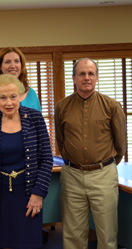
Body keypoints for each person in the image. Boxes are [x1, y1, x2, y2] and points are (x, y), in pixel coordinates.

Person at [55, 58, 127, 249]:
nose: (86, 78)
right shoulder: (62, 107)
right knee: (72, 234)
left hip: (103, 174)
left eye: (90, 74)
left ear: (96, 78)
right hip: (72, 176)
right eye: (81, 73)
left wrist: (105, 165)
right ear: (74, 78)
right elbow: (61, 141)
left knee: (107, 233)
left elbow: (120, 144)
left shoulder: (112, 106)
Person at [0, 74, 53, 249]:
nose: (9, 102)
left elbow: (46, 158)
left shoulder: (35, 118)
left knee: (29, 243)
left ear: (20, 96)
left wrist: (38, 193)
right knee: (0, 244)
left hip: (28, 195)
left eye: (13, 96)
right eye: (2, 98)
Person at [0, 47, 41, 114]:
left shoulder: (31, 94)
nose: (13, 66)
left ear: (21, 65)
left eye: (16, 61)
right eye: (7, 62)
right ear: (0, 67)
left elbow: (39, 122)